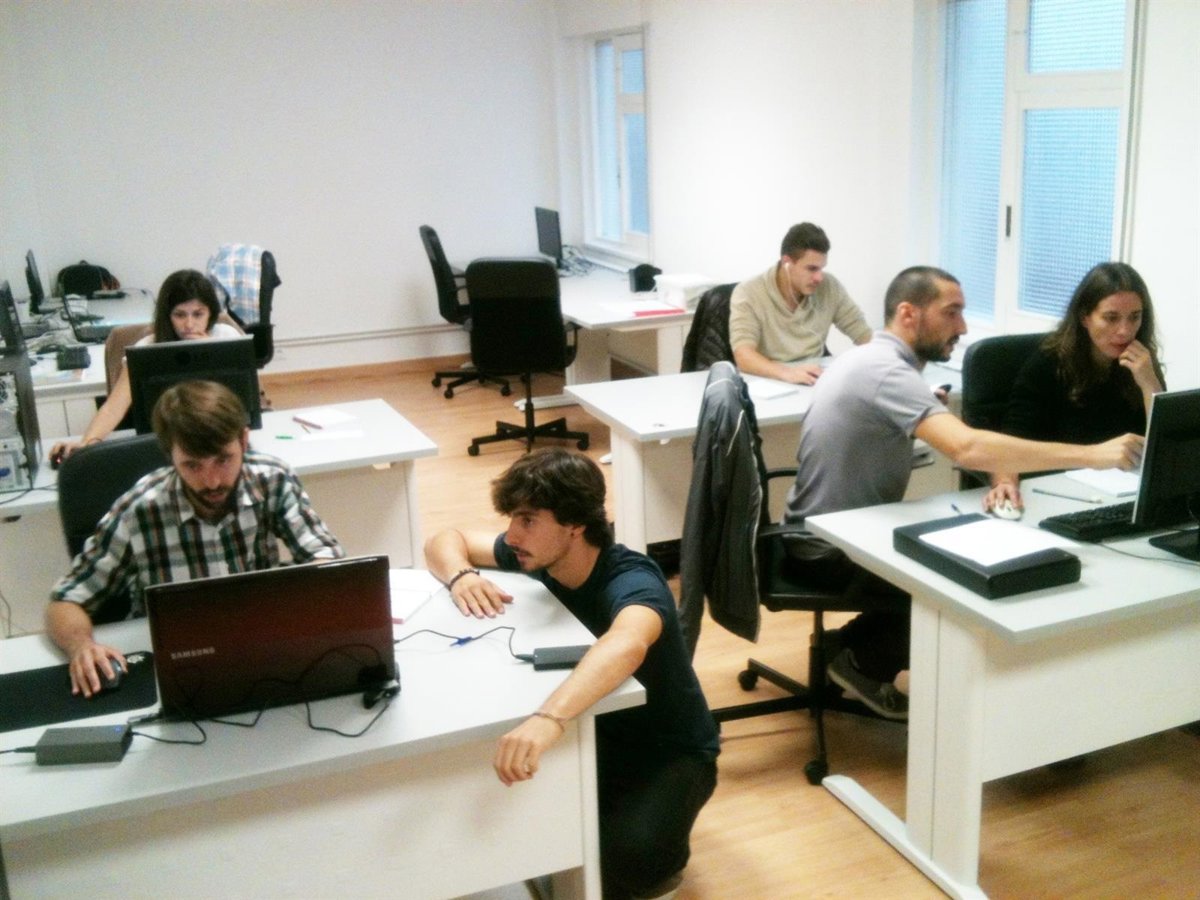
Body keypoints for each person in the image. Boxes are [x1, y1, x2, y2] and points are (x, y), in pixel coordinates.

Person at [782, 266, 1143, 719]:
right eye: (951, 313)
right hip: (826, 548)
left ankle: (849, 645)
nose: (964, 327)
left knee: (962, 544)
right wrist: (1093, 455)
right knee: (967, 580)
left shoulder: (872, 360)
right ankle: (862, 662)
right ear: (908, 314)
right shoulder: (886, 372)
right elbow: (967, 448)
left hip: (823, 528)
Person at [424, 449, 719, 900]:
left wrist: (549, 719)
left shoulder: (633, 579)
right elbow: (447, 538)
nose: (512, 534)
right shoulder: (537, 553)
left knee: (631, 862)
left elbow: (627, 643)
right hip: (594, 733)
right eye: (512, 518)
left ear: (575, 524)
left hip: (668, 752)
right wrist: (461, 576)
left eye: (528, 520)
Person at [47, 380, 343, 698]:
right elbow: (65, 600)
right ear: (169, 455)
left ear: (243, 441)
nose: (212, 481)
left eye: (223, 459)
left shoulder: (273, 480)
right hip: (175, 664)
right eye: (192, 465)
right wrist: (81, 647)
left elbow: (325, 556)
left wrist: (308, 597)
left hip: (259, 651)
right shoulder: (139, 510)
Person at [986, 261, 1166, 512]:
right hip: (1058, 493)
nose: (1125, 331)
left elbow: (1165, 445)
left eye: (1134, 317)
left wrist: (1149, 384)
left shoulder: (1141, 362)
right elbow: (1011, 442)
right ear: (1085, 317)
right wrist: (1005, 481)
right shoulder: (1048, 364)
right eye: (1111, 318)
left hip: (1119, 494)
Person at [49, 269, 243, 463]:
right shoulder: (146, 348)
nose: (189, 324)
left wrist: (210, 352)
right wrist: (87, 443)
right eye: (180, 315)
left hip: (220, 438)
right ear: (167, 316)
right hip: (164, 445)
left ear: (211, 313)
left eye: (198, 314)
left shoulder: (227, 337)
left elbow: (246, 395)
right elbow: (114, 407)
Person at [728, 222, 872, 385]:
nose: (819, 278)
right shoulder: (748, 292)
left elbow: (862, 333)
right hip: (769, 382)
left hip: (813, 381)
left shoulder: (829, 287)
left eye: (821, 269)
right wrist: (788, 373)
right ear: (786, 263)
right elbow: (744, 356)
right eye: (811, 269)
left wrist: (886, 360)